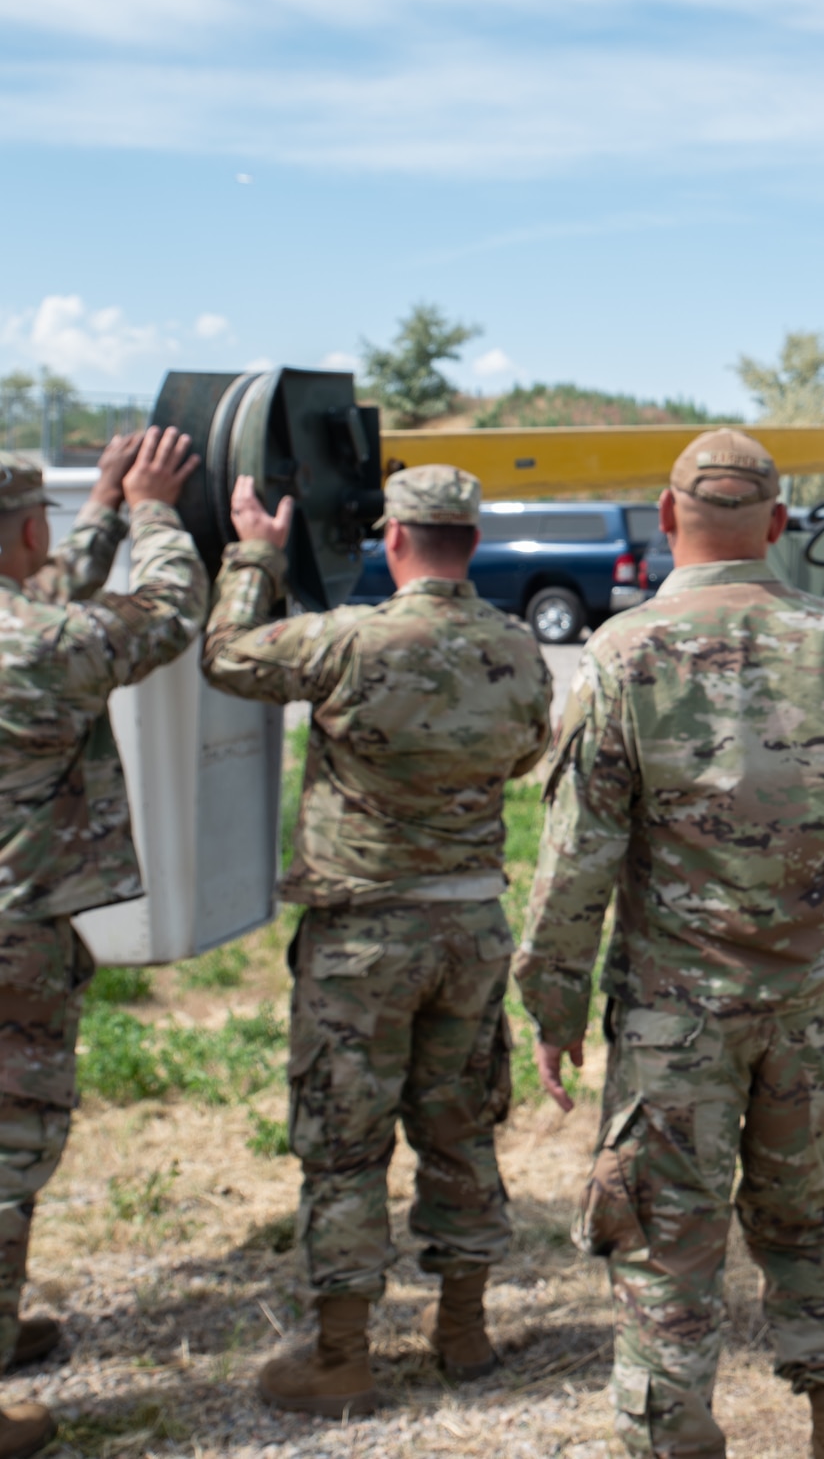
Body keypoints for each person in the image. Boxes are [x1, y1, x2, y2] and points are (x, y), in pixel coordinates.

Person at [517, 430, 824, 1459]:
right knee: (813, 1216)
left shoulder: (624, 654)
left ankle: (678, 1437)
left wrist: (554, 1005)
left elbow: (576, 863)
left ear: (666, 518)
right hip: (811, 1010)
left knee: (665, 1242)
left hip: (674, 1016)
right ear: (779, 525)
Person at [203, 463, 552, 1417]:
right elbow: (526, 753)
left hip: (361, 936)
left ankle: (344, 1356)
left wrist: (255, 554)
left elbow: (226, 655)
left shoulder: (348, 640)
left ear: (392, 539)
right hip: (470, 929)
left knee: (345, 1145)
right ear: (472, 541)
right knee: (461, 1128)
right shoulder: (519, 648)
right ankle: (464, 1333)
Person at [0, 428, 206, 1459]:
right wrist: (154, 507)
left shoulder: (33, 628)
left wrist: (95, 516)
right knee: (7, 1150)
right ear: (27, 531)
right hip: (12, 938)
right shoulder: (41, 644)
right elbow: (167, 613)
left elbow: (44, 603)